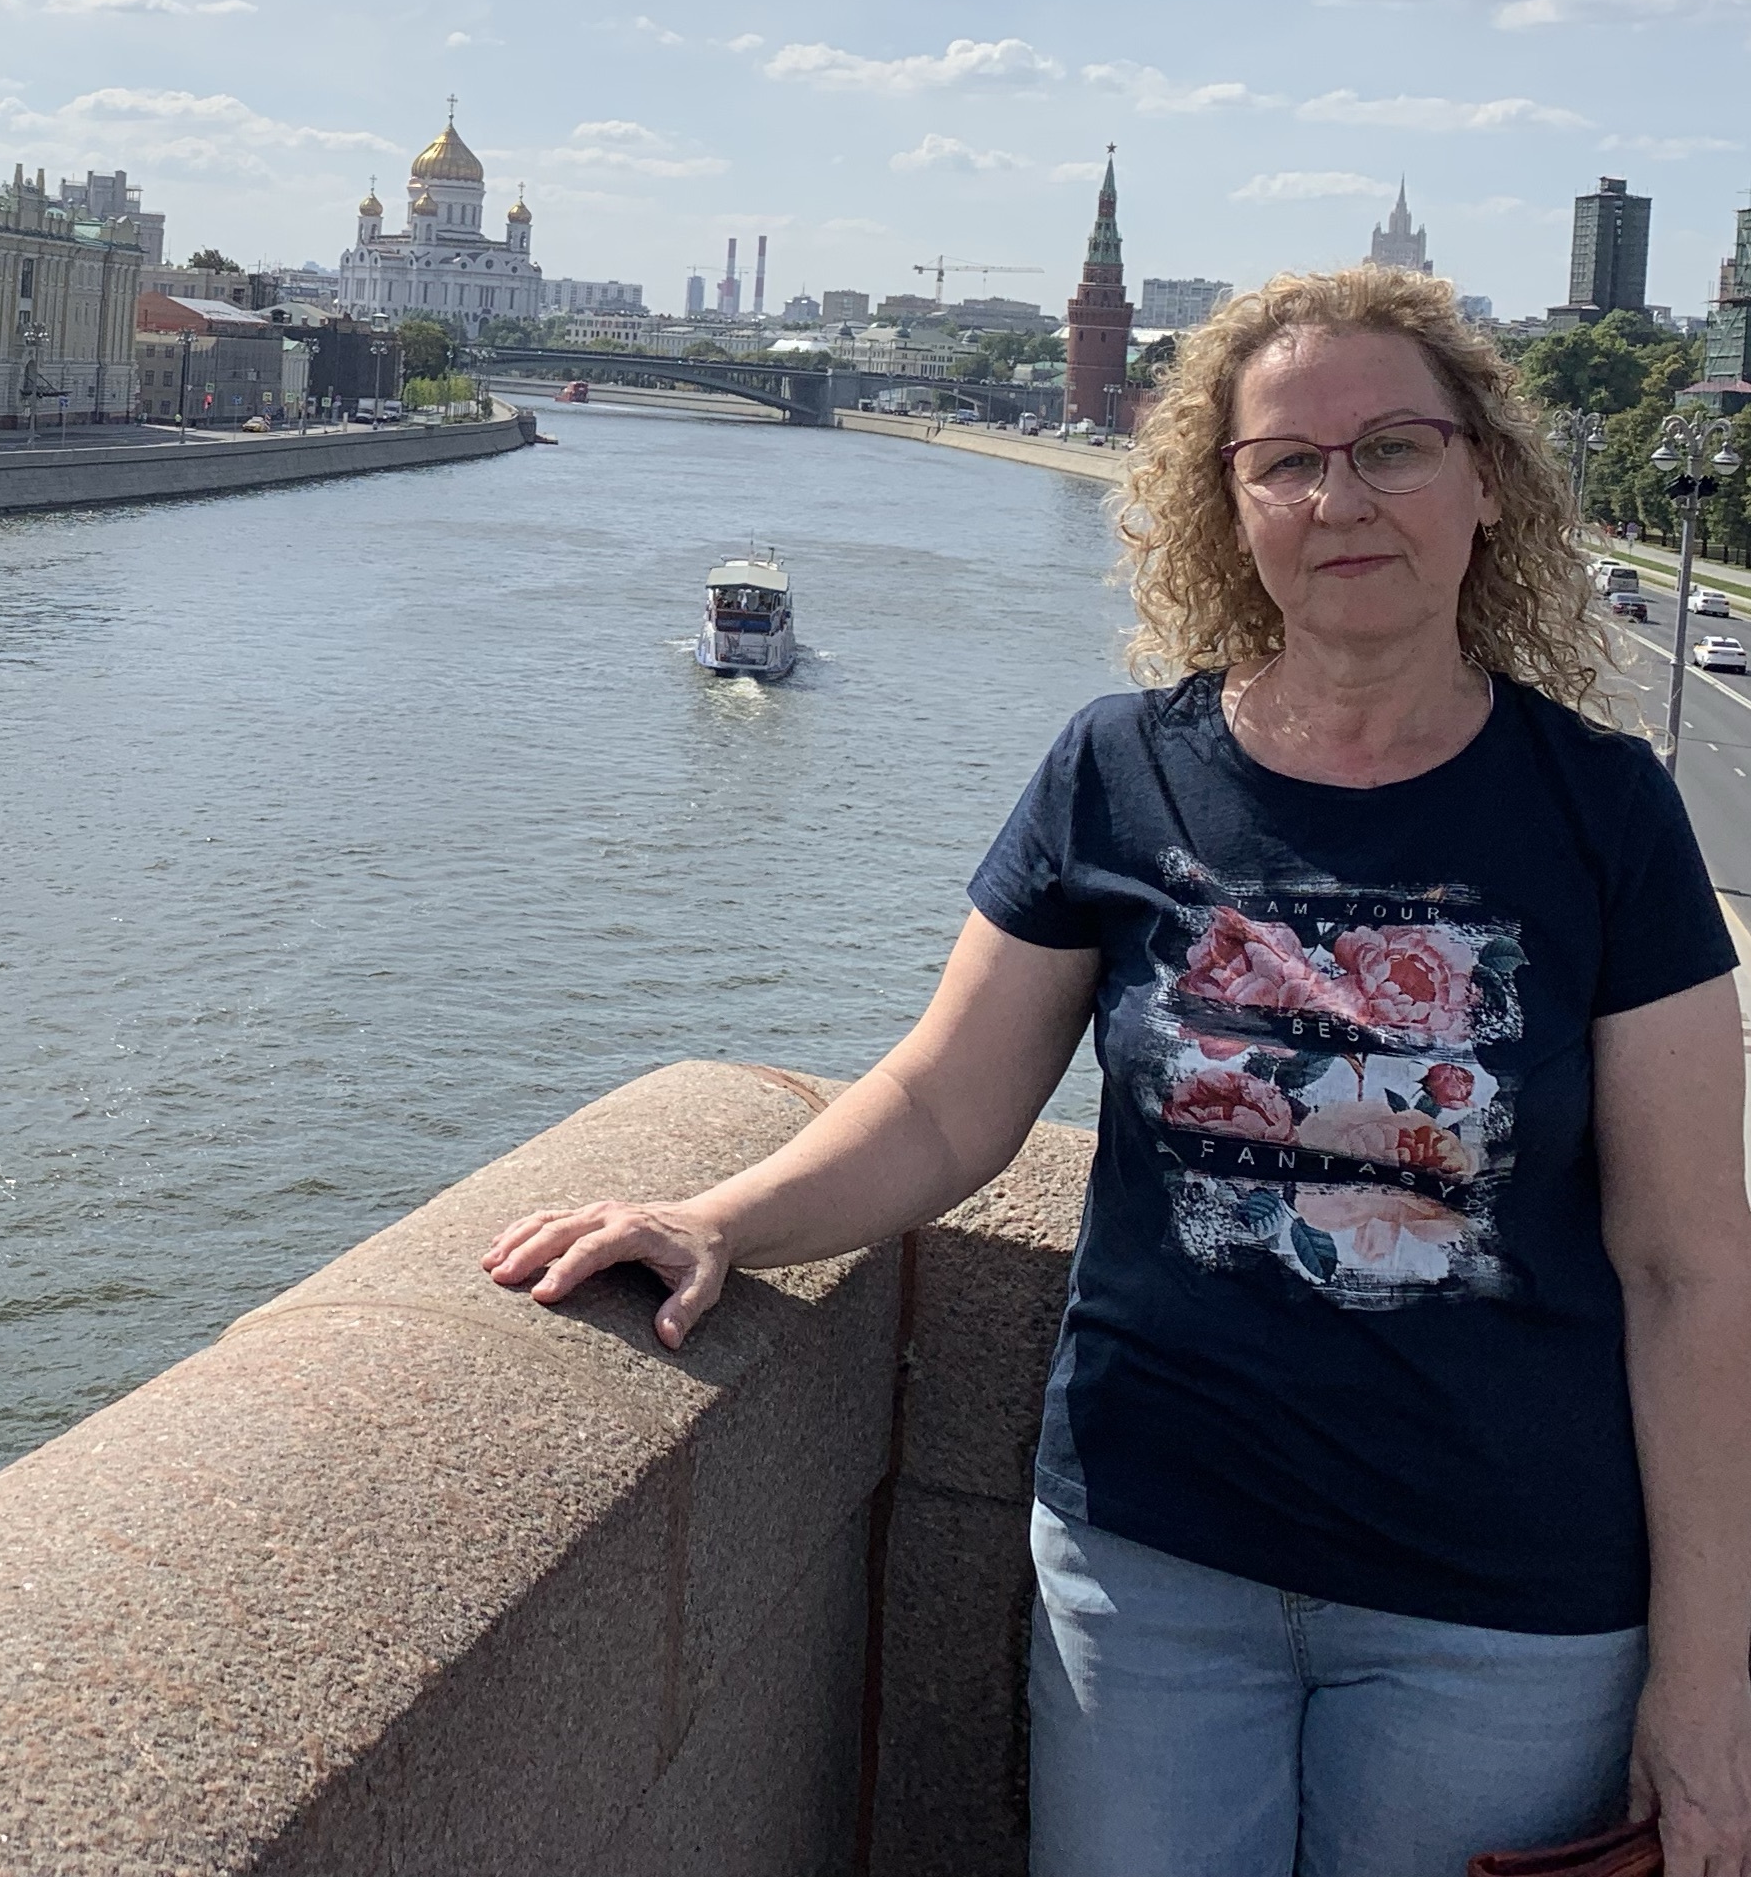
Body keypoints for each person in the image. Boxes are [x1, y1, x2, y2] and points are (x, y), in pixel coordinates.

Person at [484, 266, 1751, 1877]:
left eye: (1394, 449)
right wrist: (721, 1220)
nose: (1337, 496)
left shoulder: (1604, 811)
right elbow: (948, 1104)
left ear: (1485, 478)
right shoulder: (1121, 767)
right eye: (1285, 459)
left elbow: (1690, 1266)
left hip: (1502, 1608)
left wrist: (1710, 1683)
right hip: (1155, 1571)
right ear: (1228, 506)